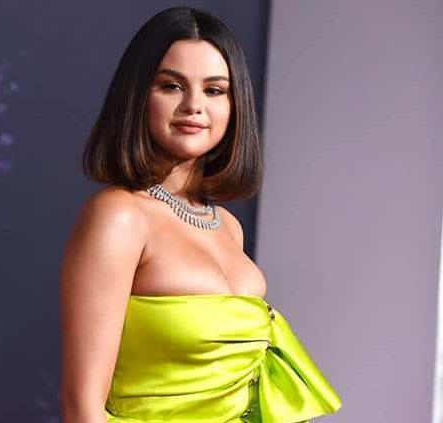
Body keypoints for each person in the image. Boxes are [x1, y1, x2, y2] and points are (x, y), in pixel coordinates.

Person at [59, 7, 341, 423]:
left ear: (234, 103)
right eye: (172, 86)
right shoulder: (119, 216)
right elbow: (81, 404)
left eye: (214, 90)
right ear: (138, 96)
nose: (194, 105)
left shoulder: (228, 226)